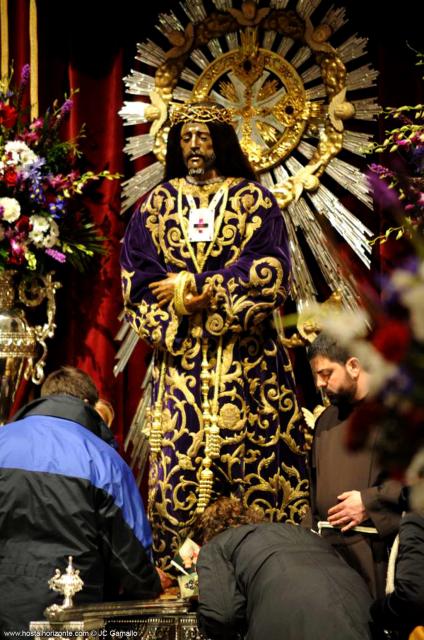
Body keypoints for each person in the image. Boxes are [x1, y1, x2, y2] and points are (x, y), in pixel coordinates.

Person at [120, 99, 309, 570]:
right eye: (186, 137)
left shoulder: (253, 200)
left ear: (221, 142)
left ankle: (267, 580)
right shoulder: (156, 206)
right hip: (181, 369)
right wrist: (183, 311)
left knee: (254, 478)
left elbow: (271, 268)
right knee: (178, 480)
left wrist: (201, 288)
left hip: (248, 366)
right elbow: (136, 281)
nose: (194, 146)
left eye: (203, 136)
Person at [0, 366, 161, 636]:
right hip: (69, 619)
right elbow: (130, 557)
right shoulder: (105, 462)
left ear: (44, 397)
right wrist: (151, 584)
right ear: (88, 404)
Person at [303, 332, 403, 598]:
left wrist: (369, 502)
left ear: (354, 366)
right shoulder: (325, 421)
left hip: (376, 553)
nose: (319, 383)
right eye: (316, 375)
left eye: (326, 374)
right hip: (329, 555)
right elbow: (313, 488)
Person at [195, 496, 376, 640]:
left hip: (296, 624)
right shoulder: (300, 532)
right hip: (362, 615)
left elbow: (222, 616)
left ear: (209, 534)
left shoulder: (217, 545)